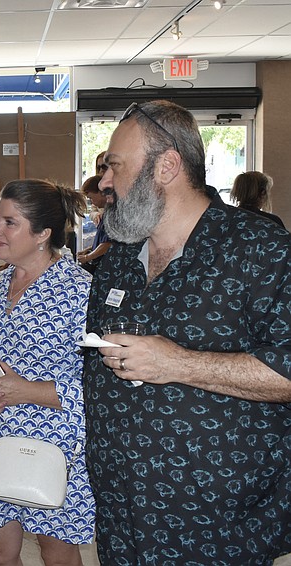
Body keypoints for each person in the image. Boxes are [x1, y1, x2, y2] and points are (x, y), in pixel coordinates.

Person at [86, 100, 291, 564]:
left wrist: (177, 363)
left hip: (220, 519)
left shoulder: (263, 251)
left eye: (114, 167)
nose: (103, 182)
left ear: (168, 165)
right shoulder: (118, 257)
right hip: (121, 508)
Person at [0, 179, 94, 566]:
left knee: (57, 550)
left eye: (9, 222)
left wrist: (25, 390)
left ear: (43, 233)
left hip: (55, 447)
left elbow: (100, 386)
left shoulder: (82, 292)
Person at [76, 175, 111, 274]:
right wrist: (89, 250)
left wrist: (88, 257)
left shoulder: (112, 215)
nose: (92, 203)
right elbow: (102, 241)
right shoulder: (105, 214)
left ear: (101, 192)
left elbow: (108, 244)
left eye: (91, 198)